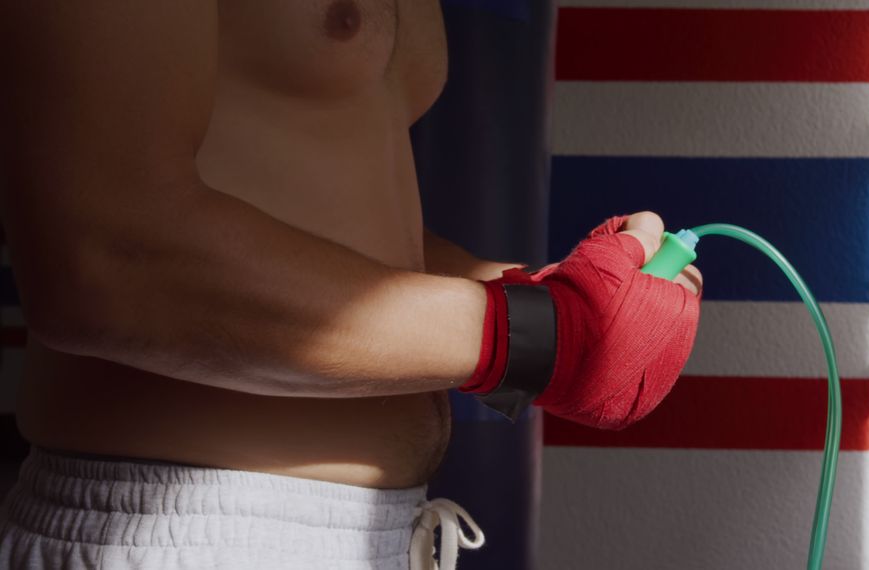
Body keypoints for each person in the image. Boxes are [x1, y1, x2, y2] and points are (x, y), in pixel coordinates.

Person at [0, 1, 702, 569]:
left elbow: (329, 222)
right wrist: (528, 336)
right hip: (188, 532)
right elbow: (106, 255)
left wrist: (549, 300)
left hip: (382, 533)